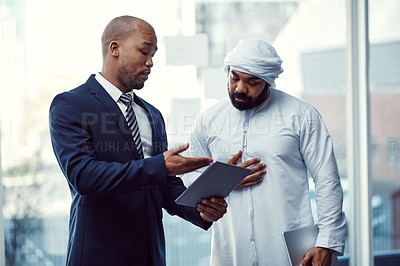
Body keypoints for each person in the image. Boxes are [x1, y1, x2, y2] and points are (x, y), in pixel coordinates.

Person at [49, 15, 227, 266]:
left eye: (153, 54)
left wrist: (200, 209)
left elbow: (162, 185)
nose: (151, 62)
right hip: (98, 256)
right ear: (115, 48)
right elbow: (84, 176)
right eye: (144, 51)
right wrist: (160, 167)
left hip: (150, 256)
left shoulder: (152, 115)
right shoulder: (71, 104)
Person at [183, 39, 347, 266]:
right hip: (230, 247)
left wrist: (326, 242)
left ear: (268, 81)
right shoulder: (209, 119)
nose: (240, 88)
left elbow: (327, 179)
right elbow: (189, 175)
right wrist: (224, 181)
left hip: (293, 248)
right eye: (234, 77)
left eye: (252, 82)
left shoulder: (302, 116)